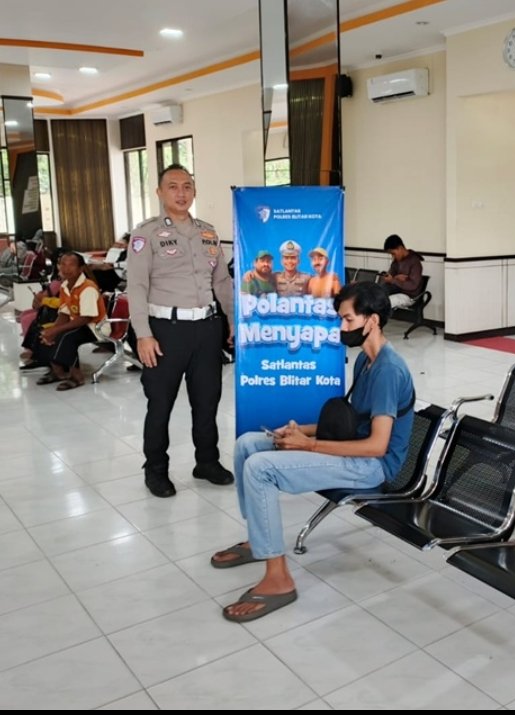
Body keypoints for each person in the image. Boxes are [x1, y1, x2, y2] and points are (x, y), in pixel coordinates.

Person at [211, 281, 415, 622]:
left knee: (261, 468)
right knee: (248, 444)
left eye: (348, 320)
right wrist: (299, 431)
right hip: (354, 452)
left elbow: (377, 445)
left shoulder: (388, 370)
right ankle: (258, 538)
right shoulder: (365, 361)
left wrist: (309, 445)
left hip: (371, 466)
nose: (341, 327)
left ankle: (279, 578)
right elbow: (354, 423)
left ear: (373, 320)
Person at [126, 164, 235, 498]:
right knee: (160, 404)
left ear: (194, 191)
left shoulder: (208, 232)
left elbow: (221, 281)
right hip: (164, 332)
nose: (181, 192)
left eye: (187, 186)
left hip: (206, 328)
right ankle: (156, 469)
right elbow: (137, 286)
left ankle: (207, 462)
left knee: (207, 401)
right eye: (173, 186)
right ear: (160, 193)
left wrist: (231, 320)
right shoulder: (146, 234)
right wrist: (143, 333)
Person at [31, 252, 106, 391]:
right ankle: (57, 371)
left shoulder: (87, 287)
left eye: (71, 265)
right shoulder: (65, 285)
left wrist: (57, 330)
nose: (66, 269)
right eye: (63, 264)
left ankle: (76, 377)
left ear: (80, 269)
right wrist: (52, 329)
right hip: (79, 323)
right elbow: (64, 313)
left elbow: (86, 317)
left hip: (95, 326)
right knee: (42, 331)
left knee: (67, 336)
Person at [380, 234, 424, 309]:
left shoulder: (415, 262)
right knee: (377, 296)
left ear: (400, 248)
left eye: (393, 253)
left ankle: (376, 319)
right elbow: (391, 275)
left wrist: (393, 280)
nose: (393, 256)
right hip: (395, 291)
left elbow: (412, 286)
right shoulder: (396, 262)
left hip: (408, 296)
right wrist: (391, 278)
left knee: (385, 302)